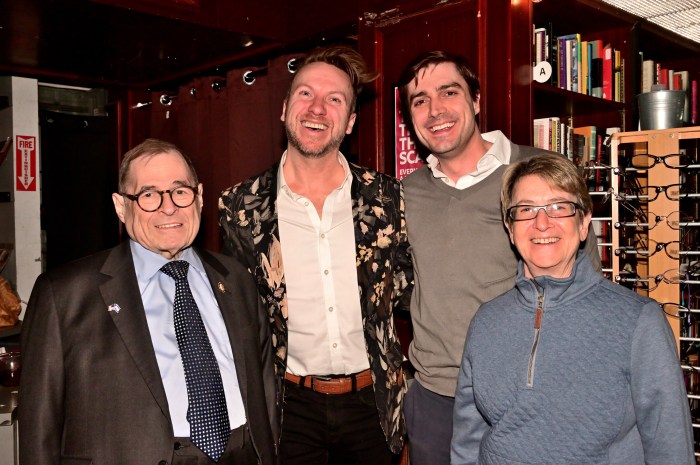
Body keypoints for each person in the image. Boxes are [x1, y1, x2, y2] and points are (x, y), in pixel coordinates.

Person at [396, 50, 601, 465]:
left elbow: (587, 294)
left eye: (448, 92)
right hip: (437, 400)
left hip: (528, 397)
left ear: (474, 101)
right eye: (419, 100)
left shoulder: (538, 173)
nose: (435, 110)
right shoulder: (404, 195)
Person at [19, 139, 277, 465]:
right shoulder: (64, 295)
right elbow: (38, 426)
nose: (168, 207)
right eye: (149, 195)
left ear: (198, 197)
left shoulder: (237, 279)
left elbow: (265, 392)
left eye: (179, 191)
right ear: (121, 206)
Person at [218, 45, 412, 465]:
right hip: (287, 410)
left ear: (350, 122)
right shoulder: (239, 207)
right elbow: (238, 316)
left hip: (372, 408)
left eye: (335, 99)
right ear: (285, 108)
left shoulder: (389, 199)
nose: (318, 109)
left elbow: (408, 292)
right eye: (306, 94)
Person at [451, 153, 694, 465]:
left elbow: (670, 447)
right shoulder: (486, 321)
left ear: (583, 223)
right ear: (509, 228)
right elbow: (467, 441)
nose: (542, 223)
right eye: (526, 210)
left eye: (559, 207)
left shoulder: (638, 321)